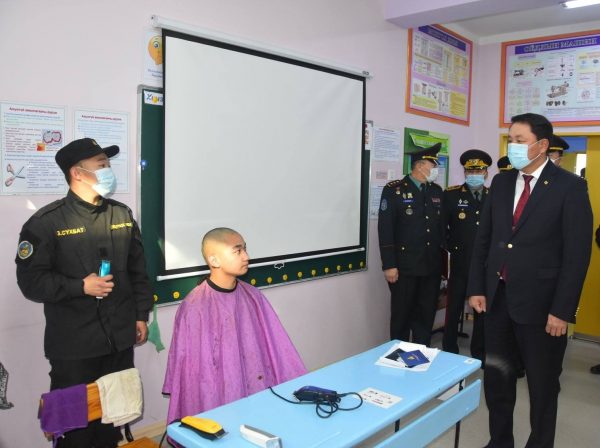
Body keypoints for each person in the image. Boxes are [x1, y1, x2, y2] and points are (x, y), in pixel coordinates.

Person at [16, 138, 153, 447]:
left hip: (119, 342)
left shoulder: (121, 215)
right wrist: (80, 286)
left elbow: (138, 272)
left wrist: (140, 316)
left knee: (111, 424)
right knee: (74, 431)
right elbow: (31, 282)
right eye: (101, 165)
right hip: (74, 348)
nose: (108, 170)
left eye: (108, 164)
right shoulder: (46, 223)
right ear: (77, 173)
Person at [467, 113, 593, 448]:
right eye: (511, 140)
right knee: (497, 379)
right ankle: (500, 441)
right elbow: (484, 240)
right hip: (497, 301)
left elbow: (577, 256)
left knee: (542, 385)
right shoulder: (502, 183)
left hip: (543, 307)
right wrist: (477, 287)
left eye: (520, 140)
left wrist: (562, 311)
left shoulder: (570, 187)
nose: (513, 146)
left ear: (542, 145)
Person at [162, 228, 307, 424]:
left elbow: (277, 346)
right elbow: (194, 374)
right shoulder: (195, 307)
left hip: (256, 393)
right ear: (214, 260)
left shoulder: (252, 296)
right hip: (219, 404)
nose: (246, 257)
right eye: (238, 251)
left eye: (245, 249)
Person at [378, 143, 443, 346]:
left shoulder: (436, 191)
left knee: (425, 315)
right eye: (433, 165)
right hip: (404, 267)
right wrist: (389, 264)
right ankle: (398, 356)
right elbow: (385, 229)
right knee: (402, 316)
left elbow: (439, 229)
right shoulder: (394, 190)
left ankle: (421, 353)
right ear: (420, 165)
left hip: (430, 266)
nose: (435, 169)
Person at [442, 149, 492, 360]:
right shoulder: (451, 195)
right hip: (460, 262)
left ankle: (479, 354)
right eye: (470, 171)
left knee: (481, 311)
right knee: (453, 309)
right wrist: (453, 248)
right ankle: (449, 351)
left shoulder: (493, 196)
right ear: (464, 173)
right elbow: (441, 228)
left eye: (478, 171)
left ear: (486, 173)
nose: (474, 175)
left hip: (484, 265)